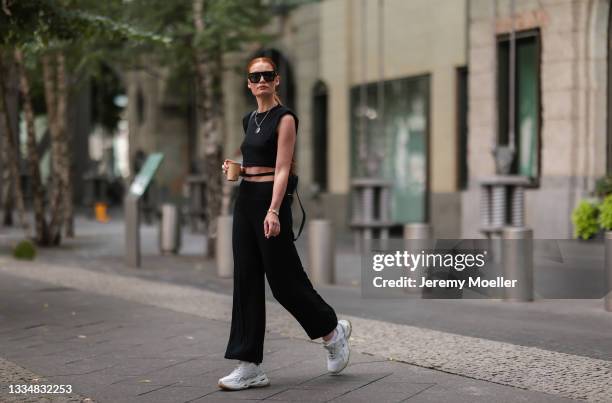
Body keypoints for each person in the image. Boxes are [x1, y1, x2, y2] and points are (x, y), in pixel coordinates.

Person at [218, 57, 351, 391]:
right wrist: (238, 169)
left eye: (267, 75)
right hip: (246, 201)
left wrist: (274, 210)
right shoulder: (249, 119)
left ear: (276, 80)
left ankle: (332, 332)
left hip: (270, 203)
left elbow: (281, 168)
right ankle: (249, 365)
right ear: (248, 83)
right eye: (255, 76)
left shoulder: (285, 118)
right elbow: (257, 163)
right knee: (245, 280)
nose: (261, 80)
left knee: (285, 282)